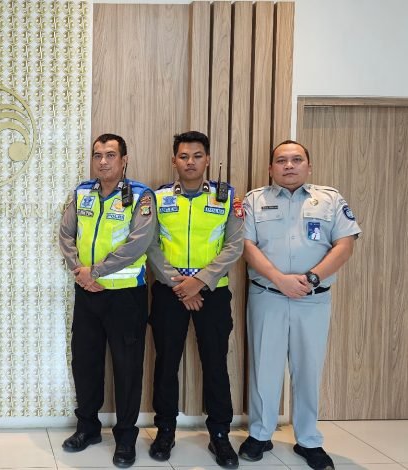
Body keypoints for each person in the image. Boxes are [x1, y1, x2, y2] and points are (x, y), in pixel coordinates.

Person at [238, 141, 361, 470]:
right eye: (281, 161)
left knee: (308, 369)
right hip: (268, 295)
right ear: (271, 168)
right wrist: (279, 279)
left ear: (309, 165)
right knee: (264, 367)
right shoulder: (254, 200)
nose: (289, 165)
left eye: (296, 159)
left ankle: (308, 439)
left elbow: (345, 244)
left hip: (313, 298)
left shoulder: (330, 199)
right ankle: (260, 434)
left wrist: (312, 278)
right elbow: (246, 245)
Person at [58, 133, 157, 468]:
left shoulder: (140, 196)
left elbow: (138, 243)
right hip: (87, 293)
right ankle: (87, 427)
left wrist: (96, 271)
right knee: (85, 362)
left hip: (125, 295)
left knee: (127, 367)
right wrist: (79, 271)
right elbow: (66, 233)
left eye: (110, 155)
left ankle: (126, 437)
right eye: (97, 155)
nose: (103, 161)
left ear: (124, 160)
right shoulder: (82, 193)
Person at [146, 131, 243, 468]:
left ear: (207, 159)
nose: (190, 162)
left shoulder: (225, 197)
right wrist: (179, 285)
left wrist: (199, 282)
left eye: (197, 156)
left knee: (215, 362)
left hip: (212, 292)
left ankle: (220, 435)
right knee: (166, 362)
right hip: (169, 291)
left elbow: (234, 245)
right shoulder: (157, 198)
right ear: (174, 160)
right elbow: (150, 243)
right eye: (184, 156)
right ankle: (165, 430)